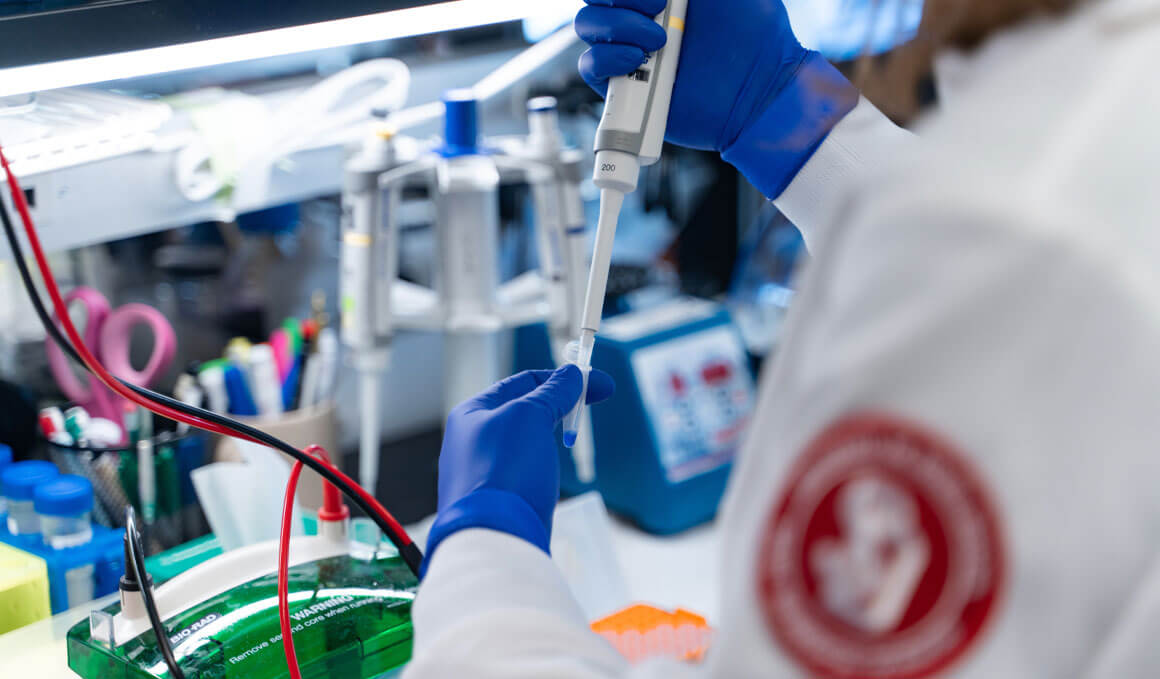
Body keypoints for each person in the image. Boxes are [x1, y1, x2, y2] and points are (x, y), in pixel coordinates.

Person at [406, 0, 1160, 676]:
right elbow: (1013, 299)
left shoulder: (1028, 218)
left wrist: (485, 569)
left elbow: (1003, 265)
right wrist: (785, 108)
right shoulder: (1112, 120)